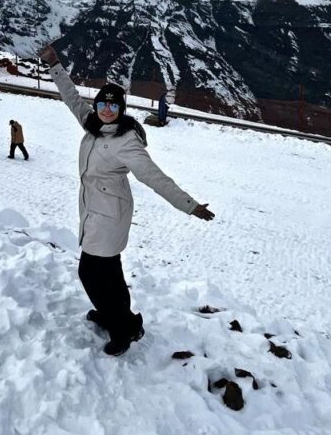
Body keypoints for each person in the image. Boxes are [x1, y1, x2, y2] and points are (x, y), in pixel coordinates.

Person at [39, 44, 215, 357]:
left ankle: (121, 330)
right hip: (98, 211)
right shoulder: (93, 124)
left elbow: (155, 177)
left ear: (122, 110)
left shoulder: (125, 141)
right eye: (103, 104)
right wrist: (55, 65)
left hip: (108, 218)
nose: (107, 109)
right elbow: (71, 97)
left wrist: (189, 205)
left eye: (114, 105)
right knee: (111, 275)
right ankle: (125, 320)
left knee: (91, 274)